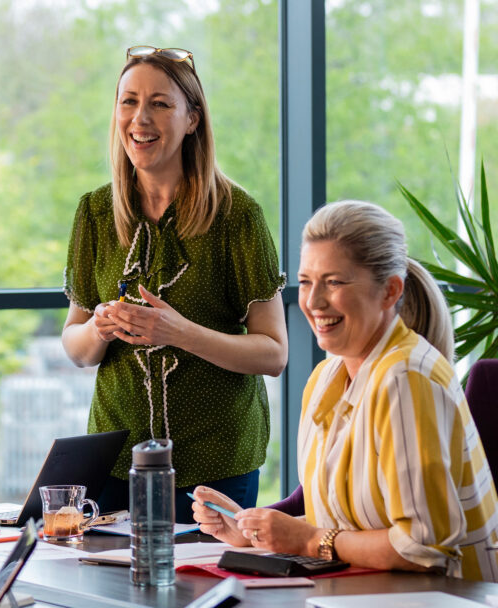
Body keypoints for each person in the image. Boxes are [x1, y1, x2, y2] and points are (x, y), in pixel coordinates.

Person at [192, 201, 498, 581]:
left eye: (334, 282)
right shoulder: (326, 378)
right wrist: (254, 531)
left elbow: (423, 548)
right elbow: (345, 523)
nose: (313, 302)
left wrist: (307, 540)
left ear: (389, 291)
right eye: (306, 281)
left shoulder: (406, 378)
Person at [61, 46, 287, 519]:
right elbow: (77, 347)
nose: (140, 118)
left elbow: (273, 353)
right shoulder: (94, 212)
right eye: (129, 101)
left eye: (160, 103)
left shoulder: (238, 216)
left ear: (192, 120)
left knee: (200, 570)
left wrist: (179, 332)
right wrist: (99, 328)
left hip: (215, 461)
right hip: (116, 461)